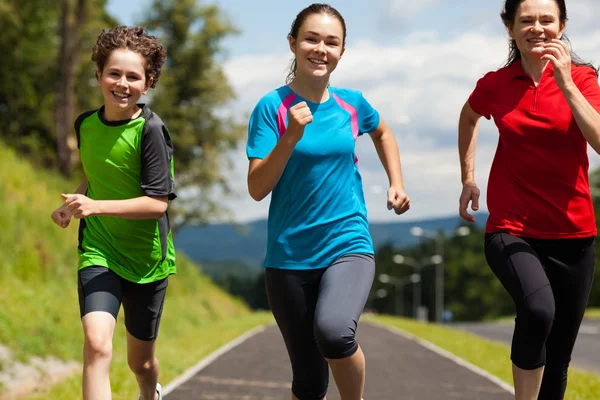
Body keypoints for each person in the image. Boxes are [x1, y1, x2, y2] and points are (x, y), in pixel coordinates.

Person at [246, 4, 410, 400]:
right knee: (308, 380)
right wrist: (290, 137)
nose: (321, 49)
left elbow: (383, 132)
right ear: (293, 44)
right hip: (288, 258)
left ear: (342, 51)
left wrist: (396, 182)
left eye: (331, 42)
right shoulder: (271, 108)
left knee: (335, 333)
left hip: (347, 244)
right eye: (311, 39)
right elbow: (257, 186)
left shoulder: (352, 103)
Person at [458, 0, 600, 399]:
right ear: (510, 28)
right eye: (526, 21)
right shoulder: (495, 84)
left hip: (574, 235)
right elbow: (468, 117)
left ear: (562, 25)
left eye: (546, 20)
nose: (536, 28)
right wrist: (468, 178)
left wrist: (566, 82)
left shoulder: (584, 79)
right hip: (511, 228)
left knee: (558, 358)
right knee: (538, 312)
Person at [50, 26, 176, 400]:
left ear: (148, 82)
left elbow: (157, 204)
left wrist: (95, 206)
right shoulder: (85, 124)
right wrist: (73, 202)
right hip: (99, 251)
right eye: (114, 74)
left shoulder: (150, 130)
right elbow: (96, 172)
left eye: (133, 76)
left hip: (147, 261)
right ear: (99, 76)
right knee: (97, 345)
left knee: (141, 363)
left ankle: (148, 390)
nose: (122, 84)